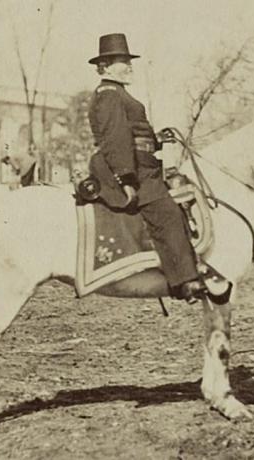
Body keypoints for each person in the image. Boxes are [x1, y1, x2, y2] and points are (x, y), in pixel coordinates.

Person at [86, 33, 204, 301]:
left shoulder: (120, 94)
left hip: (140, 166)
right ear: (104, 67)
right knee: (167, 212)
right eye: (122, 62)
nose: (129, 67)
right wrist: (126, 179)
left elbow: (134, 136)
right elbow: (116, 139)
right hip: (127, 171)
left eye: (129, 61)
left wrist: (156, 139)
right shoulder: (109, 94)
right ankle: (185, 281)